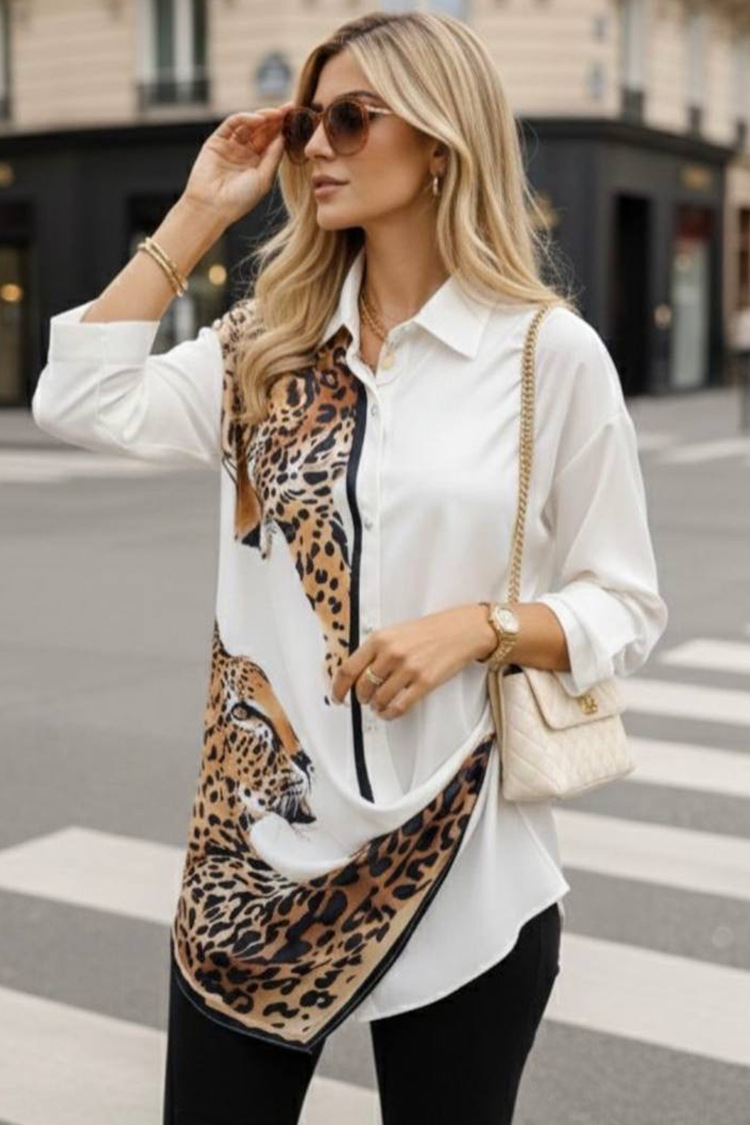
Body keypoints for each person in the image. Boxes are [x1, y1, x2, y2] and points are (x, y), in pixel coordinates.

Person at [31, 10, 668, 1125]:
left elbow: (625, 602)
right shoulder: (265, 345)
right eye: (308, 124)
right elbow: (78, 397)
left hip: (466, 867)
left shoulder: (543, 353)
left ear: (440, 142)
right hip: (255, 867)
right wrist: (199, 210)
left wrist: (479, 628)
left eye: (351, 120)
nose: (317, 146)